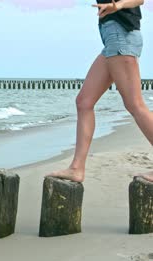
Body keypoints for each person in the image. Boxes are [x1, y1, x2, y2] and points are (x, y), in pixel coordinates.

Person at [46, 0, 153, 182]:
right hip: (113, 39)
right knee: (84, 102)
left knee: (135, 105)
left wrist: (117, 6)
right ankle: (76, 168)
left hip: (121, 36)